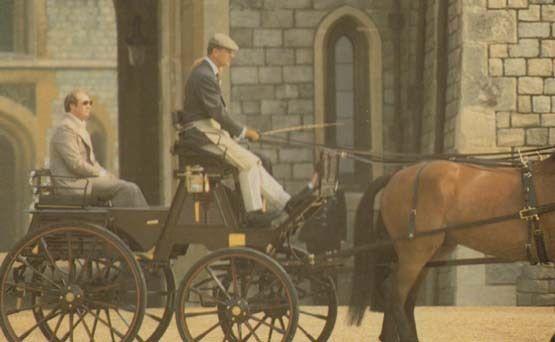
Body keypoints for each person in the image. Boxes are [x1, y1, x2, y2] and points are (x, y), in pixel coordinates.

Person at [179, 33, 316, 227]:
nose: (232, 56)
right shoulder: (204, 75)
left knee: (255, 163)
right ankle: (253, 212)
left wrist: (241, 132)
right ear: (215, 52)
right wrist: (244, 132)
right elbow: (218, 113)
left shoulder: (206, 72)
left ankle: (287, 203)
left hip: (208, 132)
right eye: (228, 52)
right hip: (201, 135)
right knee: (249, 164)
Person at [49, 89, 148, 207]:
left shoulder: (79, 127)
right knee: (128, 189)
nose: (89, 106)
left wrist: (106, 175)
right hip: (72, 185)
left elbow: (91, 161)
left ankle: (143, 223)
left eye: (90, 103)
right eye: (85, 103)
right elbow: (75, 164)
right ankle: (130, 222)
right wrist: (99, 173)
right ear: (72, 106)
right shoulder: (65, 129)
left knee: (129, 187)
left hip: (83, 181)